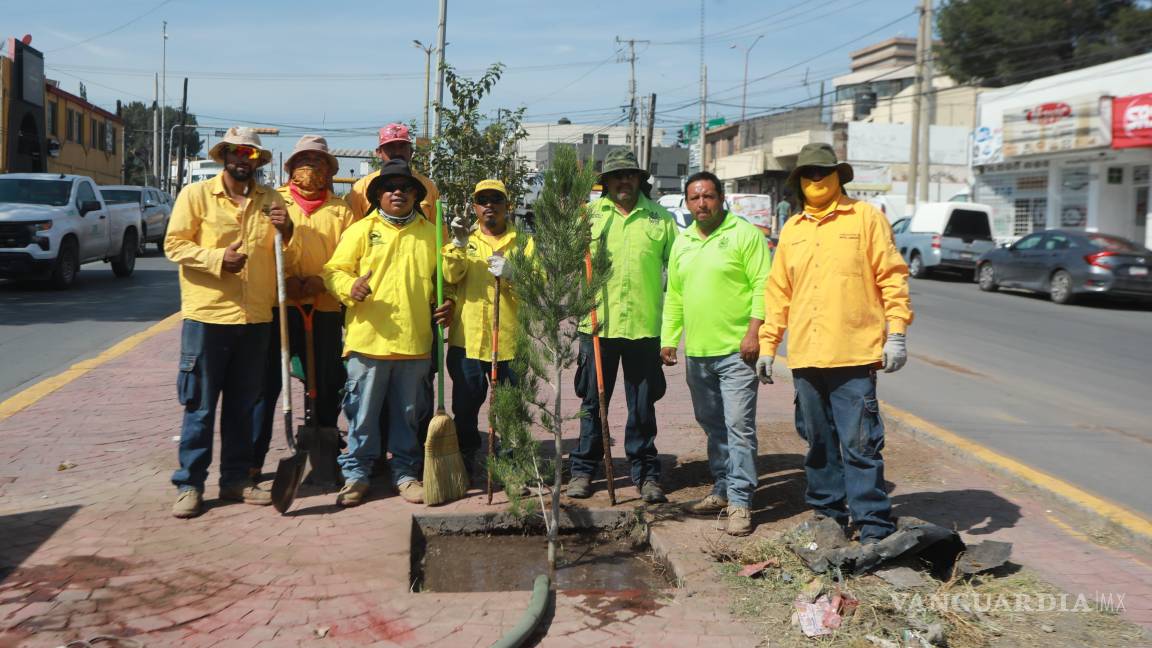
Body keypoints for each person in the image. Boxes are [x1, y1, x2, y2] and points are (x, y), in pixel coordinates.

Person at [756, 142, 912, 543]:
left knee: (860, 445)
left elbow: (892, 277)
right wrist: (768, 345)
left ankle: (873, 524)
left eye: (822, 172)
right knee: (819, 444)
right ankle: (828, 518)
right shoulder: (792, 229)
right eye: (808, 174)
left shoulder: (865, 219)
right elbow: (778, 293)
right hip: (807, 358)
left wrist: (896, 332)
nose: (815, 180)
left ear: (839, 176)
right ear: (799, 181)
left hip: (854, 356)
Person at [165, 127, 295, 519]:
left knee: (243, 406)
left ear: (257, 161)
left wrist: (286, 228)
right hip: (208, 315)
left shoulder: (270, 199)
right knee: (201, 406)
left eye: (250, 155)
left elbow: (281, 245)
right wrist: (218, 259)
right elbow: (174, 245)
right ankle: (190, 484)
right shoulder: (196, 196)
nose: (243, 160)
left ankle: (236, 479)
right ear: (224, 156)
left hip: (256, 316)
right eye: (237, 153)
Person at [322, 159, 455, 507]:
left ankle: (406, 475)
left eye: (406, 187)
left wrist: (448, 302)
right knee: (361, 418)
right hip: (367, 343)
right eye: (390, 188)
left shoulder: (431, 233)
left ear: (416, 195)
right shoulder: (361, 231)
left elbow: (445, 281)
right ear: (378, 195)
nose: (398, 192)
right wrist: (350, 286)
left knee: (408, 416)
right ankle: (357, 475)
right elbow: (333, 271)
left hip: (414, 344)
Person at [660, 171, 772, 536]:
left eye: (708, 196)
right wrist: (669, 339)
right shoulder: (683, 242)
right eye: (694, 198)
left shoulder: (745, 236)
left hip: (737, 353)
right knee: (713, 426)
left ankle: (740, 501)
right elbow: (674, 294)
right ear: (687, 203)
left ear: (721, 198)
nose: (701, 204)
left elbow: (762, 286)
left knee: (739, 427)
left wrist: (754, 333)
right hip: (699, 354)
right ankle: (723, 489)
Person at [568, 149, 678, 504]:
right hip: (597, 328)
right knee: (592, 403)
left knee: (643, 407)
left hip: (644, 330)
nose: (624, 181)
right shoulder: (588, 217)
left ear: (639, 179)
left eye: (630, 175)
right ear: (606, 183)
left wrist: (672, 331)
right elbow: (565, 261)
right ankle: (584, 470)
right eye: (617, 176)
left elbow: (677, 277)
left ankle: (645, 474)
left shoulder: (660, 220)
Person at [253, 135, 355, 476]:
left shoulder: (342, 211)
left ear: (329, 171)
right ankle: (253, 460)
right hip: (281, 306)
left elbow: (349, 256)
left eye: (319, 161)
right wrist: (288, 282)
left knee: (327, 380)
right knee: (269, 381)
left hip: (324, 307)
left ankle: (325, 439)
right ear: (291, 167)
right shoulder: (274, 202)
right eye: (304, 160)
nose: (311, 167)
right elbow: (261, 248)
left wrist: (320, 281)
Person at [442, 180, 535, 477]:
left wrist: (512, 274)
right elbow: (448, 276)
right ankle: (467, 458)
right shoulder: (463, 241)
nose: (489, 205)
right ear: (474, 207)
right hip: (467, 340)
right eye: (483, 200)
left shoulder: (525, 243)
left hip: (508, 341)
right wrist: (456, 245)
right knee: (466, 407)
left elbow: (537, 288)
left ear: (507, 206)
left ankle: (509, 464)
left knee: (508, 410)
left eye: (496, 199)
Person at [346, 123, 439, 222]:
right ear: (379, 152)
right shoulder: (361, 188)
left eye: (402, 146)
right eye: (390, 147)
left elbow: (439, 232)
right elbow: (354, 230)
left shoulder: (428, 187)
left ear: (411, 152)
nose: (397, 152)